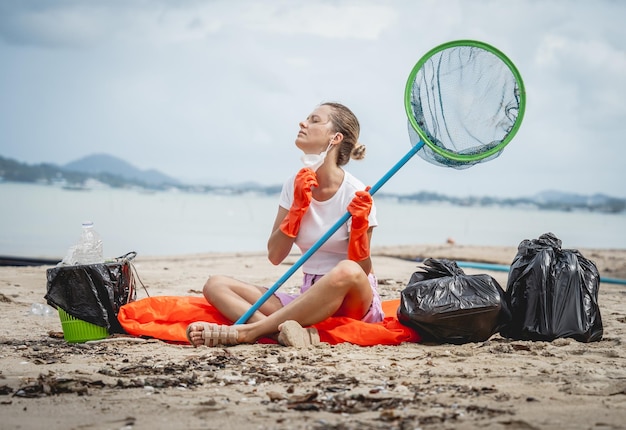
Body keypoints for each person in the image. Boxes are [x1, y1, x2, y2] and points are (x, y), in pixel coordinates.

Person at [186, 102, 384, 347]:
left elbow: (361, 270)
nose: (303, 123)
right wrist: (297, 209)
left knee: (346, 269)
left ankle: (248, 332)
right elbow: (275, 255)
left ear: (336, 137)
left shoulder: (356, 194)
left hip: (353, 299)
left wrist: (359, 230)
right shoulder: (295, 185)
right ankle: (274, 333)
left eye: (314, 120)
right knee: (215, 284)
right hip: (309, 294)